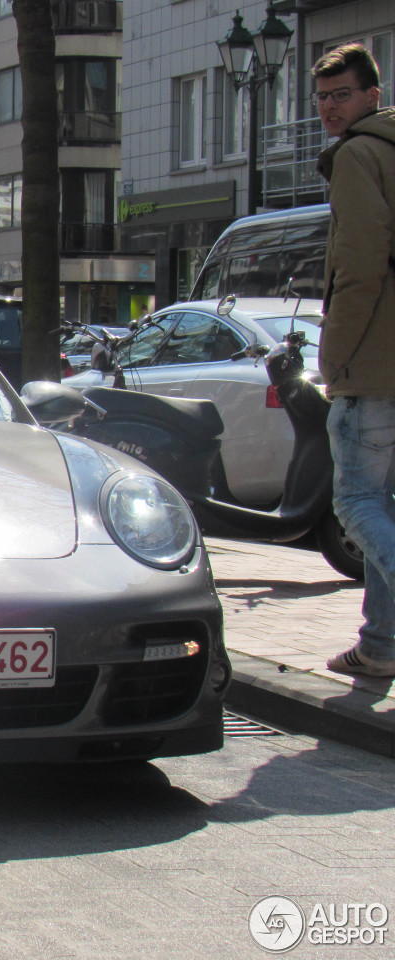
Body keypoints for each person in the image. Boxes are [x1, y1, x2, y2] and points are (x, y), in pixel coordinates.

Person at [314, 43, 395, 679]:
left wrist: (334, 359)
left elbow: (358, 271)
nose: (330, 107)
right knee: (386, 507)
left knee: (356, 502)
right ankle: (381, 646)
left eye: (342, 94)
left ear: (372, 94)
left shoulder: (359, 156)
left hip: (373, 364)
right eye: (322, 96)